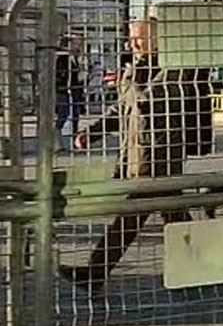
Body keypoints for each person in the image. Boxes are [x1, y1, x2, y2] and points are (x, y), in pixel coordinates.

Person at [61, 18, 212, 288]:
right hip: (138, 153)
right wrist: (92, 132)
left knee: (133, 216)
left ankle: (95, 274)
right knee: (171, 215)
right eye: (131, 39)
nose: (132, 44)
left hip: (159, 153)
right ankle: (204, 266)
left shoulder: (175, 67)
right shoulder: (136, 68)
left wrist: (134, 74)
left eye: (138, 38)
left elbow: (153, 99)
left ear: (158, 40)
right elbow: (121, 109)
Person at [53, 36, 87, 142]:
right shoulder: (63, 58)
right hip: (64, 90)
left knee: (75, 115)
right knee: (64, 112)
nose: (79, 47)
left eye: (80, 45)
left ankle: (74, 137)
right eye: (76, 44)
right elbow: (62, 74)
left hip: (76, 90)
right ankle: (56, 135)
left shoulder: (79, 59)